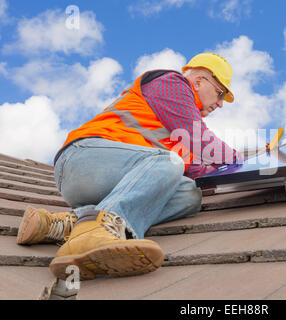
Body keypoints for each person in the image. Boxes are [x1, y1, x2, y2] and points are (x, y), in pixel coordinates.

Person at [16, 53, 243, 280]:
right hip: (81, 160)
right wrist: (246, 161)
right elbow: (200, 140)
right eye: (220, 93)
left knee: (188, 193)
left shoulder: (176, 127)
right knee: (168, 161)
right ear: (199, 81)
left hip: (113, 179)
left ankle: (66, 224)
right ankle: (99, 230)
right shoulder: (172, 83)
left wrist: (236, 173)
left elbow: (197, 170)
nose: (220, 104)